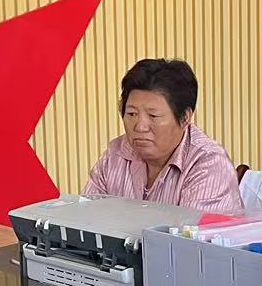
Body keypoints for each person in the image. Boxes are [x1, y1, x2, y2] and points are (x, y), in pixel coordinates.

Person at [81, 58, 244, 214]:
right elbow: (85, 218)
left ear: (185, 117)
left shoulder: (209, 164)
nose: (140, 127)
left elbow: (191, 233)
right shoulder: (115, 154)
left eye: (153, 116)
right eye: (132, 114)